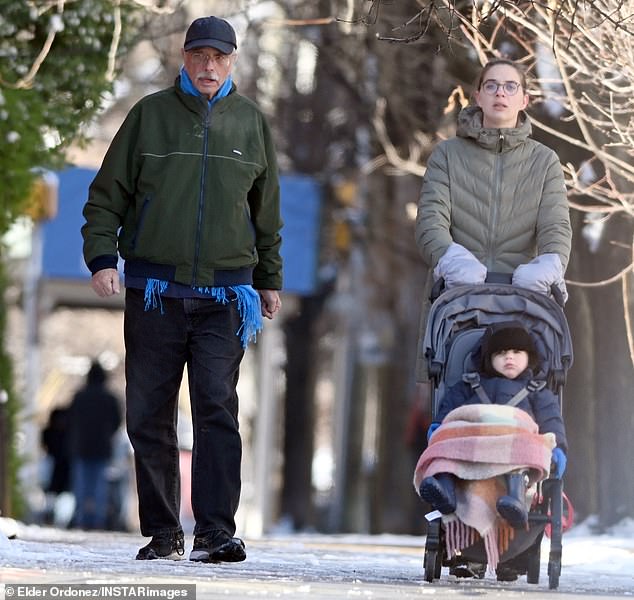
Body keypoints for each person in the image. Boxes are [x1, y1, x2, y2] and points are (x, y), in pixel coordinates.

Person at [81, 15, 283, 563]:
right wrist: (102, 258)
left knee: (217, 406)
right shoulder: (149, 116)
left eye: (219, 56)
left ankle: (216, 531)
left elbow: (267, 216)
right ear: (185, 57)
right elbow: (106, 197)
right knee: (149, 412)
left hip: (226, 296)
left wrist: (269, 280)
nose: (209, 65)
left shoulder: (250, 123)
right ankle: (165, 531)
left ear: (233, 61)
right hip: (154, 290)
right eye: (200, 55)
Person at [415, 57, 572, 386]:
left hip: (522, 301)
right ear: (477, 96)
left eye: (510, 86)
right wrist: (450, 258)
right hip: (459, 301)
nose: (501, 92)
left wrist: (549, 264)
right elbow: (431, 221)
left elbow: (556, 226)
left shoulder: (544, 162)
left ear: (524, 100)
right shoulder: (448, 156)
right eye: (492, 85)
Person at [417, 321, 568, 529]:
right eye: (501, 353)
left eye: (517, 351)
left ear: (529, 357)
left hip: (514, 449)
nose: (509, 357)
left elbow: (551, 421)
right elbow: (450, 412)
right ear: (489, 359)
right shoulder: (468, 385)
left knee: (533, 443)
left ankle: (515, 498)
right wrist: (439, 427)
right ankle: (445, 490)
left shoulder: (538, 392)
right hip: (473, 445)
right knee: (450, 439)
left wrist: (558, 446)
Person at [67, 360, 123, 530]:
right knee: (100, 486)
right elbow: (117, 421)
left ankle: (82, 519)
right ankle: (99, 520)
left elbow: (71, 419)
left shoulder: (79, 396)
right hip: (102, 446)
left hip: (81, 445)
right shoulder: (110, 398)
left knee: (81, 486)